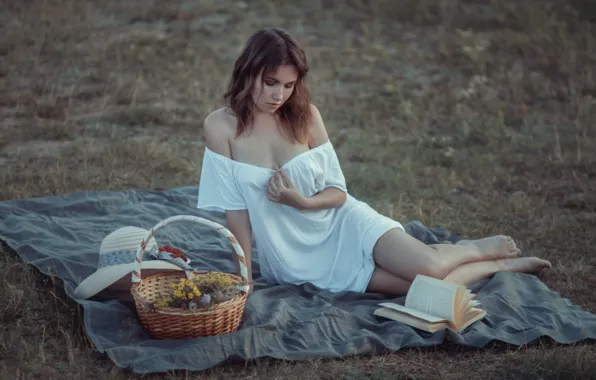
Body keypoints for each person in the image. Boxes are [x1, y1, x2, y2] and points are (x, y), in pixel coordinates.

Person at [196, 27, 551, 296]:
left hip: (344, 223)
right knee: (426, 288)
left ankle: (471, 249)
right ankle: (501, 265)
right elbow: (235, 211)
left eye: (288, 85)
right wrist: (243, 278)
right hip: (294, 256)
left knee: (428, 266)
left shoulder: (305, 116)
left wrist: (301, 201)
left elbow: (337, 191)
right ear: (247, 72)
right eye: (270, 82)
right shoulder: (220, 127)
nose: (278, 95)